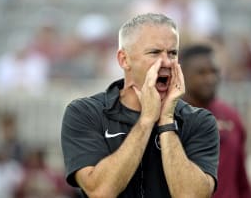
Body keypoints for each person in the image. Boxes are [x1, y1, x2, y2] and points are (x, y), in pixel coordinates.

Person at [61, 13, 219, 198]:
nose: (167, 62)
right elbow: (100, 191)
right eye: (154, 52)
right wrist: (146, 121)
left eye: (172, 53)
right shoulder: (85, 113)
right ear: (124, 60)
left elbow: (192, 196)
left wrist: (166, 121)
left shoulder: (199, 120)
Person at [179, 44, 251, 198]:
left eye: (214, 71)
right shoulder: (168, 118)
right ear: (182, 74)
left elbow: (241, 178)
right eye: (201, 73)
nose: (210, 78)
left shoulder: (231, 117)